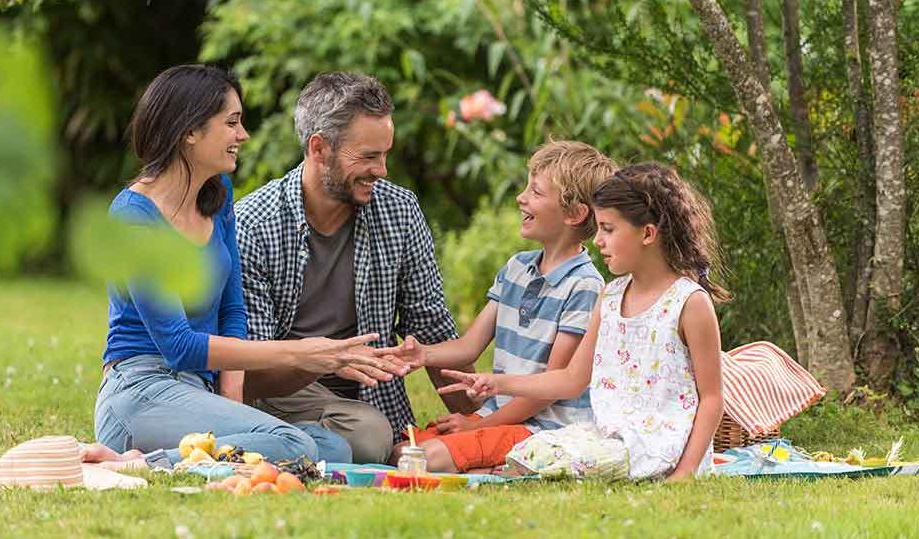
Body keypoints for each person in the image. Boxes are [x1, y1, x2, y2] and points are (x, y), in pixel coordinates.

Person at [91, 65, 389, 470]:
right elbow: (178, 346)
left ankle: (183, 457)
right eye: (231, 122)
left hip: (198, 388)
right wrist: (300, 353)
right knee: (289, 444)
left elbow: (232, 311)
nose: (242, 135)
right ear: (189, 131)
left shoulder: (217, 195)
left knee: (332, 450)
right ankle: (137, 463)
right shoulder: (133, 217)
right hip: (142, 388)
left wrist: (231, 404)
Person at [234, 72, 474, 464]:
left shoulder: (399, 210)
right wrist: (326, 359)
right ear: (319, 149)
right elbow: (250, 369)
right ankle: (288, 442)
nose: (381, 170)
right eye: (367, 157)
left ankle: (302, 446)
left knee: (371, 432)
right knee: (370, 436)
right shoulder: (252, 224)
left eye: (385, 154)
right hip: (281, 390)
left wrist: (480, 421)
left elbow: (430, 327)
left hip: (367, 400)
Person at [440, 163, 728, 481]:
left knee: (562, 462)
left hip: (660, 445)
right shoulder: (611, 296)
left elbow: (712, 397)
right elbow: (571, 379)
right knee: (528, 452)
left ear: (647, 233)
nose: (598, 241)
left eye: (608, 229)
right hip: (607, 437)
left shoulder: (689, 302)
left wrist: (686, 471)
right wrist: (499, 383)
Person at [375, 141, 618, 473]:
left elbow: (546, 392)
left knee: (418, 459)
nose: (521, 198)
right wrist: (423, 356)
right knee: (401, 449)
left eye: (535, 192)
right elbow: (469, 346)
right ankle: (490, 468)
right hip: (499, 418)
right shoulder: (517, 268)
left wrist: (478, 428)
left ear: (574, 213)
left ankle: (504, 468)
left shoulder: (584, 286)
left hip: (542, 430)